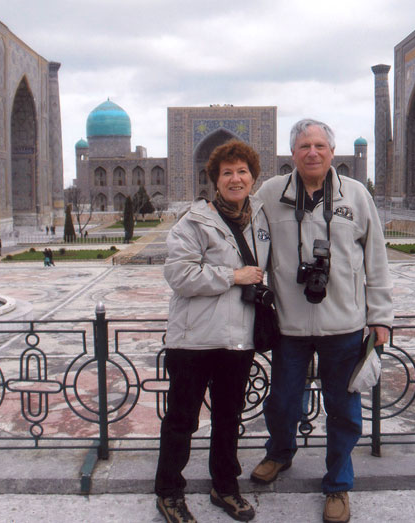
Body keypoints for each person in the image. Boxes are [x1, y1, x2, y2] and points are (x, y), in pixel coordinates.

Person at [250, 119, 393, 523]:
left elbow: (376, 262)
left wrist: (380, 317)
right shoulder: (271, 193)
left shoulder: (356, 195)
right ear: (291, 153)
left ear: (332, 151)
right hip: (289, 327)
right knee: (281, 403)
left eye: (319, 146)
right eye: (303, 146)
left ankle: (339, 484)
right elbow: (250, 246)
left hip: (344, 326)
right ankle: (280, 453)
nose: (312, 153)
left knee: (344, 409)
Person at [155, 140, 270, 523]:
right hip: (193, 340)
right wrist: (233, 276)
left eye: (242, 172)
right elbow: (179, 275)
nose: (236, 179)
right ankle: (169, 492)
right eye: (227, 173)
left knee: (227, 417)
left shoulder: (260, 223)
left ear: (253, 177)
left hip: (237, 340)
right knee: (183, 419)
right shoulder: (194, 222)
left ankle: (224, 486)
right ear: (214, 180)